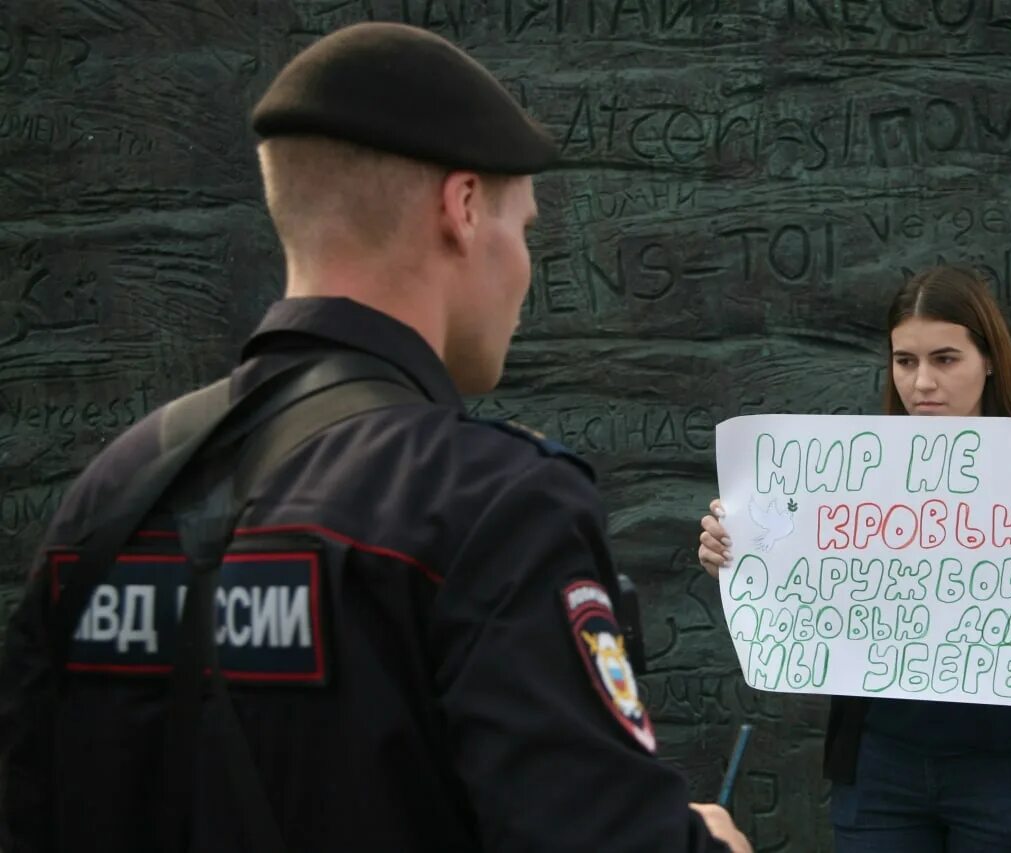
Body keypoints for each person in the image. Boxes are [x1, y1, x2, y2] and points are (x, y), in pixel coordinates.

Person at [0, 22, 750, 853]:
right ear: (462, 210)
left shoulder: (113, 492)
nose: (528, 268)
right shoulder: (490, 503)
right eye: (526, 229)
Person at [697, 265, 1011, 853]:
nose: (922, 383)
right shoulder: (844, 475)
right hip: (883, 767)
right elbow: (806, 583)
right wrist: (737, 558)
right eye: (905, 361)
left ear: (989, 360)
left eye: (945, 359)